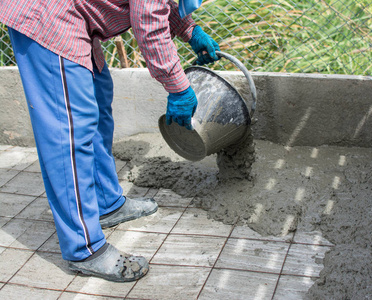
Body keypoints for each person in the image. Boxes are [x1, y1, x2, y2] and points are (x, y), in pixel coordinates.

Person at [0, 0, 220, 282]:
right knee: (70, 131)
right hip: (49, 16)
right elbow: (149, 25)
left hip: (75, 15)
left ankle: (106, 203)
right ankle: (85, 249)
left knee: (99, 100)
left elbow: (156, 5)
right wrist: (177, 87)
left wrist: (189, 29)